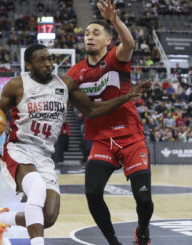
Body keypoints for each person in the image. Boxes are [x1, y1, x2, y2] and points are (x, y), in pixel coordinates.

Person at [0, 43, 150, 245]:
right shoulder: (16, 85)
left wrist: (127, 96)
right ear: (29, 65)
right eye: (41, 60)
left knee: (48, 218)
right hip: (19, 149)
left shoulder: (66, 85)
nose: (48, 64)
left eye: (49, 59)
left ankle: (0, 219)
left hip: (44, 156)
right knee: (36, 188)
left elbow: (91, 110)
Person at [67, 1, 153, 244]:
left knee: (144, 199)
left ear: (107, 41)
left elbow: (130, 43)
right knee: (92, 193)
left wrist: (114, 20)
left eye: (96, 33)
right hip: (102, 140)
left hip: (131, 137)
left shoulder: (117, 58)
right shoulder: (75, 73)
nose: (89, 37)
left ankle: (143, 230)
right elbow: (88, 110)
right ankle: (113, 242)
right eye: (86, 34)